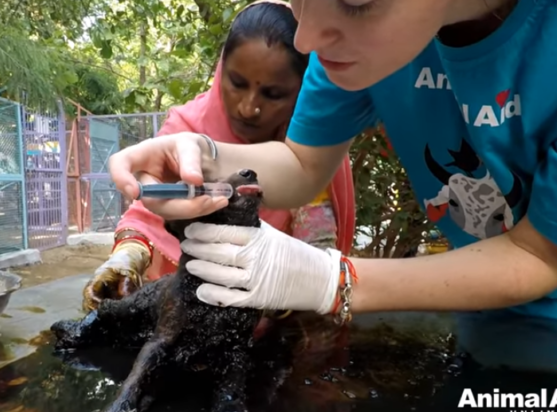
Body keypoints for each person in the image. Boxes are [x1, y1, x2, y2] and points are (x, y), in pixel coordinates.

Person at [106, 0, 557, 374]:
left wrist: (332, 280)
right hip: (479, 310)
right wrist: (207, 155)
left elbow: (543, 255)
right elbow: (301, 163)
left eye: (357, 0)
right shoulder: (341, 31)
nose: (307, 38)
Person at [82, 0, 356, 311]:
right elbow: (147, 215)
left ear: (302, 92)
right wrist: (127, 255)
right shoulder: (185, 130)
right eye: (237, 83)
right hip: (181, 307)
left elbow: (317, 254)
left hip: (276, 314)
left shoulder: (318, 152)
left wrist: (297, 296)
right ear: (221, 70)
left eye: (273, 94)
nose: (248, 107)